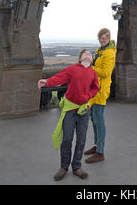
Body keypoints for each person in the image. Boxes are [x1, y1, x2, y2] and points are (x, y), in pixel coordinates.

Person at [38, 49, 99, 181]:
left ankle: (76, 167)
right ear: (80, 58)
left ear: (92, 60)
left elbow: (96, 88)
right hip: (70, 109)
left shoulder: (93, 73)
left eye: (90, 54)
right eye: (85, 53)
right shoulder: (72, 69)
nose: (88, 54)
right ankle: (64, 167)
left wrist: (88, 96)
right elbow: (59, 78)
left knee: (81, 139)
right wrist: (47, 82)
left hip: (84, 110)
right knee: (67, 139)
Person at [84, 28, 117, 163]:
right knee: (94, 119)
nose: (102, 40)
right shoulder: (100, 50)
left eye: (105, 38)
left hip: (101, 90)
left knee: (99, 120)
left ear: (109, 38)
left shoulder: (109, 53)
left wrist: (90, 67)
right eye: (100, 38)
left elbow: (105, 72)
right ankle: (97, 146)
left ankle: (100, 152)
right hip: (94, 90)